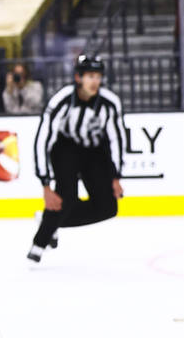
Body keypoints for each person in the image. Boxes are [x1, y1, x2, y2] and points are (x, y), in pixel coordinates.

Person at [28, 55, 126, 262]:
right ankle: (40, 243)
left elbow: (116, 138)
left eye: (98, 76)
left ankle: (50, 221)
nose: (95, 82)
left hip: (93, 150)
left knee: (108, 207)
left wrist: (116, 176)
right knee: (66, 196)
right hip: (65, 148)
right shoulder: (61, 100)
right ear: (78, 77)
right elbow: (43, 139)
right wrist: (45, 184)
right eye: (90, 76)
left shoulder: (109, 103)